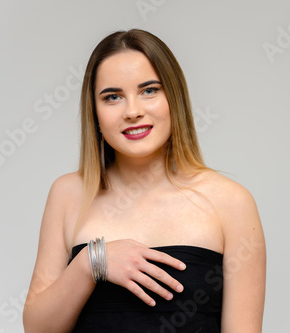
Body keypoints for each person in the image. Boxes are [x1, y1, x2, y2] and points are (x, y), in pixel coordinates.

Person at [22, 28, 266, 332]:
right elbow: (37, 328)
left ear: (174, 99)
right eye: (113, 97)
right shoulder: (68, 193)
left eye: (149, 90)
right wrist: (91, 263)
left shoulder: (231, 202)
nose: (133, 111)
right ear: (94, 113)